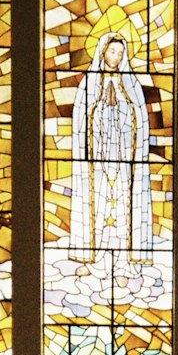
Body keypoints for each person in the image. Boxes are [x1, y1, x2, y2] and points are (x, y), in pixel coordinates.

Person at [70, 30, 152, 260]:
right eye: (112, 51)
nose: (115, 56)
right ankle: (91, 255)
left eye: (120, 53)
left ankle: (125, 258)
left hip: (124, 154)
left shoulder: (131, 84)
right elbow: (81, 119)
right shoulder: (90, 83)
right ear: (103, 52)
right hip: (97, 156)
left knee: (123, 199)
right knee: (97, 197)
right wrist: (101, 107)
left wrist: (121, 106)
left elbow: (139, 120)